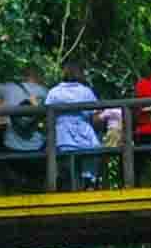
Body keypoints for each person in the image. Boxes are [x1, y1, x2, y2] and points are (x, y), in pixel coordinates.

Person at [44, 61, 109, 189]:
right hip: (84, 136)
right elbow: (95, 117)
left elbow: (48, 118)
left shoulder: (54, 92)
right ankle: (88, 183)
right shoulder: (86, 92)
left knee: (66, 167)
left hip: (61, 137)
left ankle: (66, 185)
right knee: (93, 154)